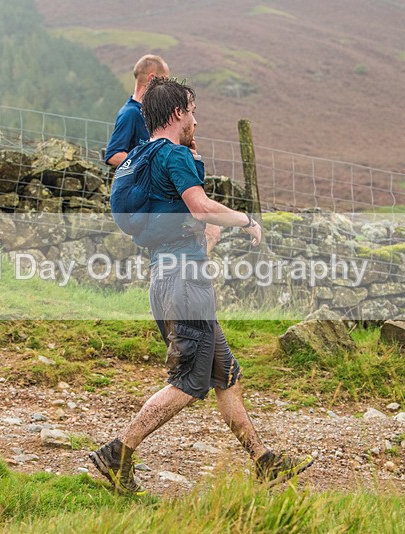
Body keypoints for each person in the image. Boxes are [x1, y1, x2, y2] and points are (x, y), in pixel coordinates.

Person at [90, 77, 314, 495]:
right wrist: (246, 221)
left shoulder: (138, 158)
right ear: (178, 113)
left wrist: (205, 233)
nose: (196, 119)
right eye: (192, 110)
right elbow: (200, 207)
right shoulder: (173, 155)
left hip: (166, 277)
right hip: (186, 282)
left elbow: (189, 222)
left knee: (225, 374)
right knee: (189, 382)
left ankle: (264, 460)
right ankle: (117, 450)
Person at [104, 55, 170, 168]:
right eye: (165, 80)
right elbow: (113, 155)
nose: (167, 87)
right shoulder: (130, 113)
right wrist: (149, 167)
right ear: (151, 79)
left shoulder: (152, 114)